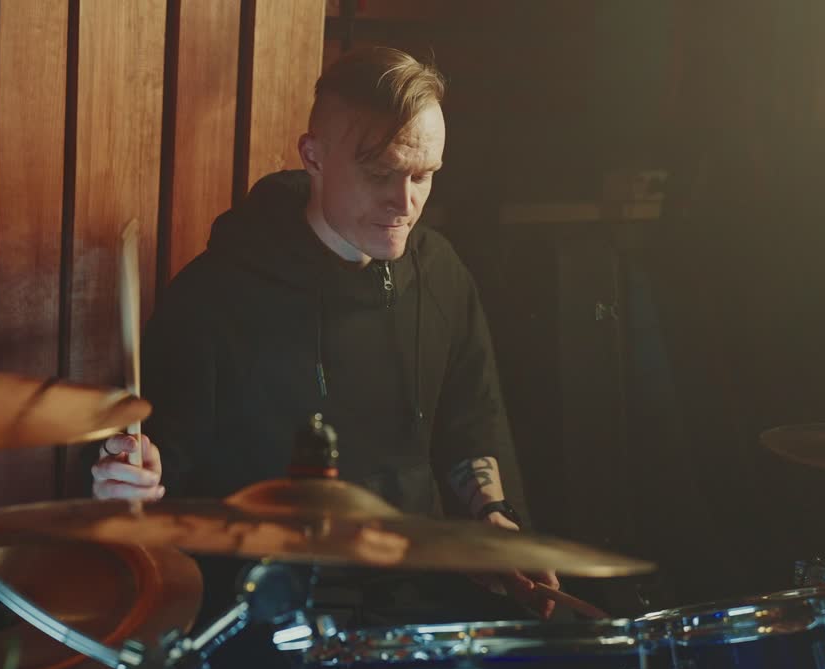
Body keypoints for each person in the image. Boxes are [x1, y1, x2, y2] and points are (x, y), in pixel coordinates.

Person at [91, 47, 559, 636]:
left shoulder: (441, 273)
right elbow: (163, 459)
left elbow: (472, 422)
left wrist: (495, 515)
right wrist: (133, 475)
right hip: (260, 613)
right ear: (313, 156)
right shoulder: (216, 295)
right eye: (380, 172)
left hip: (414, 601)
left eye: (423, 175)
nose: (405, 201)